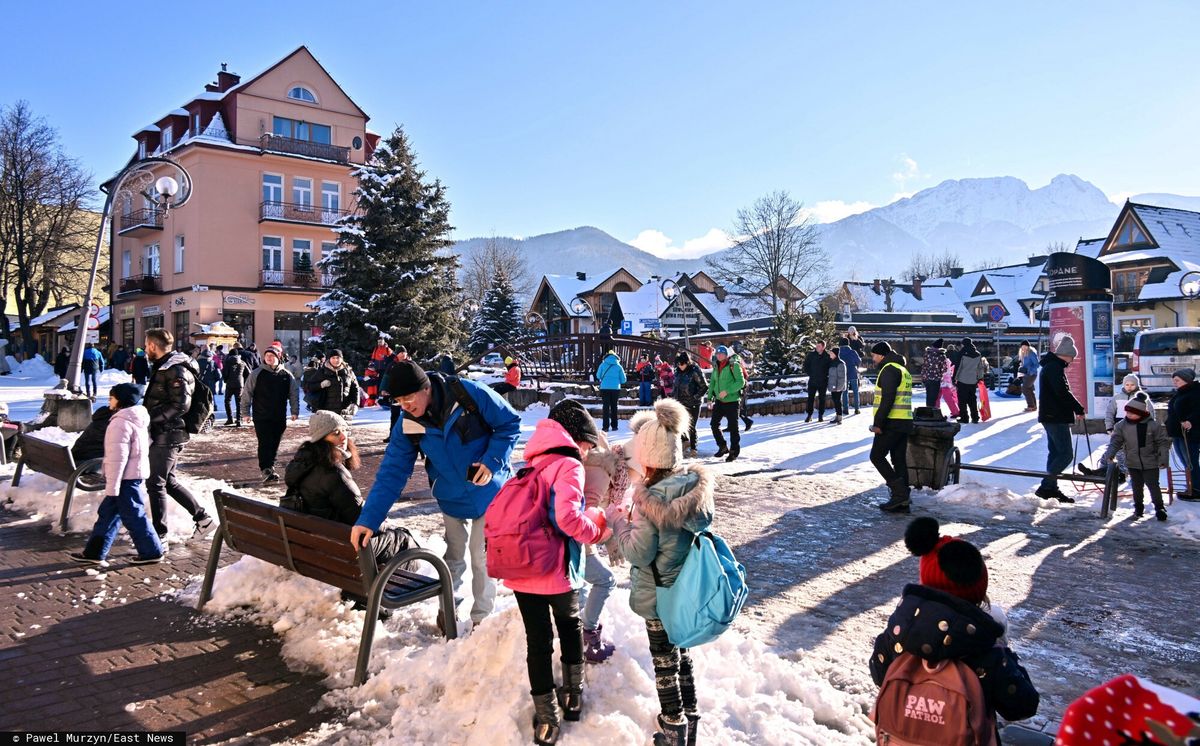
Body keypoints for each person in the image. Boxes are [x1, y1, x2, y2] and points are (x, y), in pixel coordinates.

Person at [350, 360, 521, 627]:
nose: (405, 406)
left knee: (481, 557)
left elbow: (509, 423)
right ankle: (449, 612)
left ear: (426, 388)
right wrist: (368, 520)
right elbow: (392, 473)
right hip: (450, 496)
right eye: (398, 401)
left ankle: (481, 620)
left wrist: (492, 461)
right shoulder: (408, 423)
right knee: (453, 557)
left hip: (489, 492)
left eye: (408, 398)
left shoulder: (467, 393)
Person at [871, 518, 1040, 739]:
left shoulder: (898, 635)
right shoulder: (985, 650)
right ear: (979, 591)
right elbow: (1023, 706)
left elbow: (878, 674)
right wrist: (1007, 656)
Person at [499, 401, 608, 745]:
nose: (589, 451)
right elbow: (568, 520)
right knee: (569, 626)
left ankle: (547, 717)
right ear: (576, 437)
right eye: (588, 443)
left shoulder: (530, 464)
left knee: (538, 640)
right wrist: (598, 530)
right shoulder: (569, 465)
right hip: (556, 569)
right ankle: (572, 696)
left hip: (521, 568)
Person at [609, 399, 715, 746]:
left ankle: (673, 728)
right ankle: (691, 718)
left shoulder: (648, 501)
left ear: (648, 459)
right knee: (682, 656)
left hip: (657, 594)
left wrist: (619, 526)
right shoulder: (693, 491)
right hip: (684, 592)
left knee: (664, 665)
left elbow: (639, 551)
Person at [283, 410, 417, 595]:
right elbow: (360, 517)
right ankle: (387, 597)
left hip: (312, 544)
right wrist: (391, 528)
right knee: (403, 540)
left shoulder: (302, 465)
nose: (344, 436)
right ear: (322, 438)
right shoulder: (333, 472)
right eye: (335, 433)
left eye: (344, 429)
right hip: (339, 548)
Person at [68, 384, 165, 565]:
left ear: (121, 400)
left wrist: (112, 486)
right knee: (108, 514)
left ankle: (152, 551)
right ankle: (94, 552)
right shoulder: (137, 418)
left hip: (124, 478)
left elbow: (117, 458)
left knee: (134, 515)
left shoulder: (120, 423)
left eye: (111, 397)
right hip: (129, 476)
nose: (109, 401)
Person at [142, 329, 213, 539]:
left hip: (169, 434)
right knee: (168, 481)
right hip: (165, 432)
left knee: (155, 484)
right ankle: (203, 519)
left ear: (153, 346)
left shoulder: (175, 369)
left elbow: (181, 404)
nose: (145, 349)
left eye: (146, 345)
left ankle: (159, 536)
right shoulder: (165, 367)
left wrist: (150, 417)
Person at [1101, 397, 1170, 521]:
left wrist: (1163, 458)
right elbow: (1115, 441)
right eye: (1127, 412)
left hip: (1150, 462)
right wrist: (1110, 454)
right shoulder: (1121, 425)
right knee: (1136, 486)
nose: (1128, 415)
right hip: (1132, 462)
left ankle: (1159, 508)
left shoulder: (1152, 425)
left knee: (1153, 485)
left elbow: (1162, 442)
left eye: (1132, 413)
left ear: (1141, 413)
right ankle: (1138, 507)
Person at [1035, 335, 1085, 503]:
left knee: (1055, 453)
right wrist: (1078, 408)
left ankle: (1050, 488)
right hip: (1055, 416)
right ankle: (1046, 486)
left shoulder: (1051, 366)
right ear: (1067, 354)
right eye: (1072, 357)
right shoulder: (1054, 368)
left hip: (1051, 416)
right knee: (1065, 454)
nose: (1072, 361)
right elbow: (1062, 393)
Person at [242, 346, 300, 483]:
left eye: (272, 355)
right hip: (261, 415)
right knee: (264, 442)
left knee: (275, 443)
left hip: (279, 415)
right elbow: (247, 393)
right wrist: (245, 412)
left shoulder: (286, 375)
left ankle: (271, 467)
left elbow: (294, 394)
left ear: (278, 357)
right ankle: (266, 469)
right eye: (267, 355)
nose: (269, 357)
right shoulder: (256, 373)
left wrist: (294, 411)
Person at [1080, 374, 1154, 478]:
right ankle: (1101, 470)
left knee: (1123, 453)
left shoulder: (1143, 399)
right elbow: (1110, 413)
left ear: (1137, 385)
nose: (1129, 387)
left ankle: (1121, 473)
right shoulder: (1117, 398)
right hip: (1119, 429)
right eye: (1127, 384)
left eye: (1132, 385)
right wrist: (1109, 427)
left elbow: (1150, 414)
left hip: (1135, 430)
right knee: (1110, 450)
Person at [871, 341, 914, 512]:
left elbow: (887, 399)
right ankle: (902, 498)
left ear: (881, 355)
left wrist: (878, 424)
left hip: (891, 422)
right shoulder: (903, 370)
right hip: (904, 421)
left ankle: (899, 493)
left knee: (877, 456)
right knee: (898, 459)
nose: (873, 359)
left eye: (874, 355)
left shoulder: (888, 369)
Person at [1164, 367, 1200, 502]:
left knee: (1191, 461)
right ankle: (1192, 486)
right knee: (1185, 461)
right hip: (1178, 432)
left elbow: (1198, 411)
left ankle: (1197, 488)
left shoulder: (1195, 392)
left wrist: (1191, 421)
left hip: (1190, 433)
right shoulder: (1180, 393)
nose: (1175, 383)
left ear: (1186, 380)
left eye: (1177, 380)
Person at [707, 345, 744, 461]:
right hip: (719, 401)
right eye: (717, 354)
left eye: (721, 353)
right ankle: (722, 446)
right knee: (714, 424)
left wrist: (727, 391)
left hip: (732, 401)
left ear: (726, 354)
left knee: (733, 427)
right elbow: (712, 383)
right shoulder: (716, 366)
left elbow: (740, 382)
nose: (719, 355)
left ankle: (734, 452)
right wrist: (709, 398)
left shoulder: (734, 365)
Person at [307, 349, 360, 420]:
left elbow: (355, 389)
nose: (336, 360)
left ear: (342, 359)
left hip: (344, 412)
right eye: (333, 358)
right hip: (326, 412)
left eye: (338, 358)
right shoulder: (322, 372)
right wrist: (321, 385)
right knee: (328, 431)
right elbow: (309, 386)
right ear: (329, 359)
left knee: (343, 431)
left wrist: (355, 404)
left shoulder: (348, 372)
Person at [673, 353, 706, 456]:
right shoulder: (678, 372)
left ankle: (693, 448)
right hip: (681, 403)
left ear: (687, 363)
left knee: (691, 426)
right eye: (678, 364)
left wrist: (695, 397)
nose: (680, 366)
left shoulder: (695, 370)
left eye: (682, 364)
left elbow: (704, 386)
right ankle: (685, 441)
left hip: (693, 403)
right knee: (680, 425)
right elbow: (676, 387)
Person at [378, 346, 410, 439]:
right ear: (397, 354)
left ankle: (409, 437)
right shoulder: (392, 365)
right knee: (394, 415)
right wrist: (383, 389)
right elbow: (386, 378)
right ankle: (392, 435)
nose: (403, 354)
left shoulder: (411, 364)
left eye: (404, 353)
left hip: (409, 395)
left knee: (409, 415)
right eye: (401, 353)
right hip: (395, 394)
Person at [595, 349, 626, 432]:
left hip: (604, 388)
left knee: (605, 407)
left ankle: (605, 427)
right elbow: (623, 380)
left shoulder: (602, 364)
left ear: (606, 356)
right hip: (615, 388)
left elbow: (598, 376)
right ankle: (614, 426)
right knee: (614, 407)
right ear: (616, 357)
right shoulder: (619, 366)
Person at [803, 340, 831, 423]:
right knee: (810, 398)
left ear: (823, 347)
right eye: (816, 346)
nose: (817, 347)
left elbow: (830, 367)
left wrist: (826, 375)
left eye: (819, 346)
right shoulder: (811, 355)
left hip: (823, 381)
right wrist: (811, 373)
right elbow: (805, 365)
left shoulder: (827, 355)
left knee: (822, 399)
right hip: (813, 380)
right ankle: (809, 415)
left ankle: (820, 415)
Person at [221, 346, 249, 426]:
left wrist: (226, 380)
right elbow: (248, 373)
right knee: (239, 402)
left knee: (227, 401)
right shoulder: (242, 362)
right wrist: (243, 380)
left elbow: (225, 373)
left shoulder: (227, 362)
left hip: (229, 384)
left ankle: (230, 419)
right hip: (240, 385)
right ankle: (239, 420)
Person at [837, 337, 863, 415]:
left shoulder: (839, 353)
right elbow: (858, 361)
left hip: (843, 373)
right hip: (853, 373)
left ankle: (846, 409)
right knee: (855, 391)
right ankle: (857, 409)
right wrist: (855, 365)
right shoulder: (852, 352)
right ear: (848, 344)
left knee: (845, 391)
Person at [920, 339, 948, 411]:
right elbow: (944, 368)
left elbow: (924, 366)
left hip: (927, 378)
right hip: (936, 379)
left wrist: (923, 376)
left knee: (928, 395)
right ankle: (931, 413)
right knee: (934, 397)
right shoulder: (941, 356)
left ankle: (928, 411)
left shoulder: (927, 354)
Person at [732, 341, 754, 431]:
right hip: (741, 385)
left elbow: (744, 375)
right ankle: (732, 426)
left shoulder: (737, 360)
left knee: (737, 407)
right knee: (734, 407)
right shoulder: (738, 359)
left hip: (741, 386)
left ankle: (747, 421)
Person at [827, 346, 847, 425]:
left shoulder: (840, 363)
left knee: (838, 401)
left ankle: (839, 417)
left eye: (831, 353)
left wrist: (839, 387)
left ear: (835, 354)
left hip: (838, 387)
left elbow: (842, 377)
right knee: (835, 401)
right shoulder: (832, 362)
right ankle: (837, 415)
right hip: (833, 386)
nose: (830, 355)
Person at [1018, 340, 1040, 412]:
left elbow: (1037, 364)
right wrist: (1021, 368)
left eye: (1025, 346)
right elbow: (1025, 364)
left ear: (1028, 346)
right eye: (1022, 346)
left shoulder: (1031, 353)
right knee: (1029, 389)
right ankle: (1034, 406)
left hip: (1032, 374)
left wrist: (1029, 371)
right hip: (1026, 374)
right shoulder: (1023, 353)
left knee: (1025, 389)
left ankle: (1031, 405)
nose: (1023, 347)